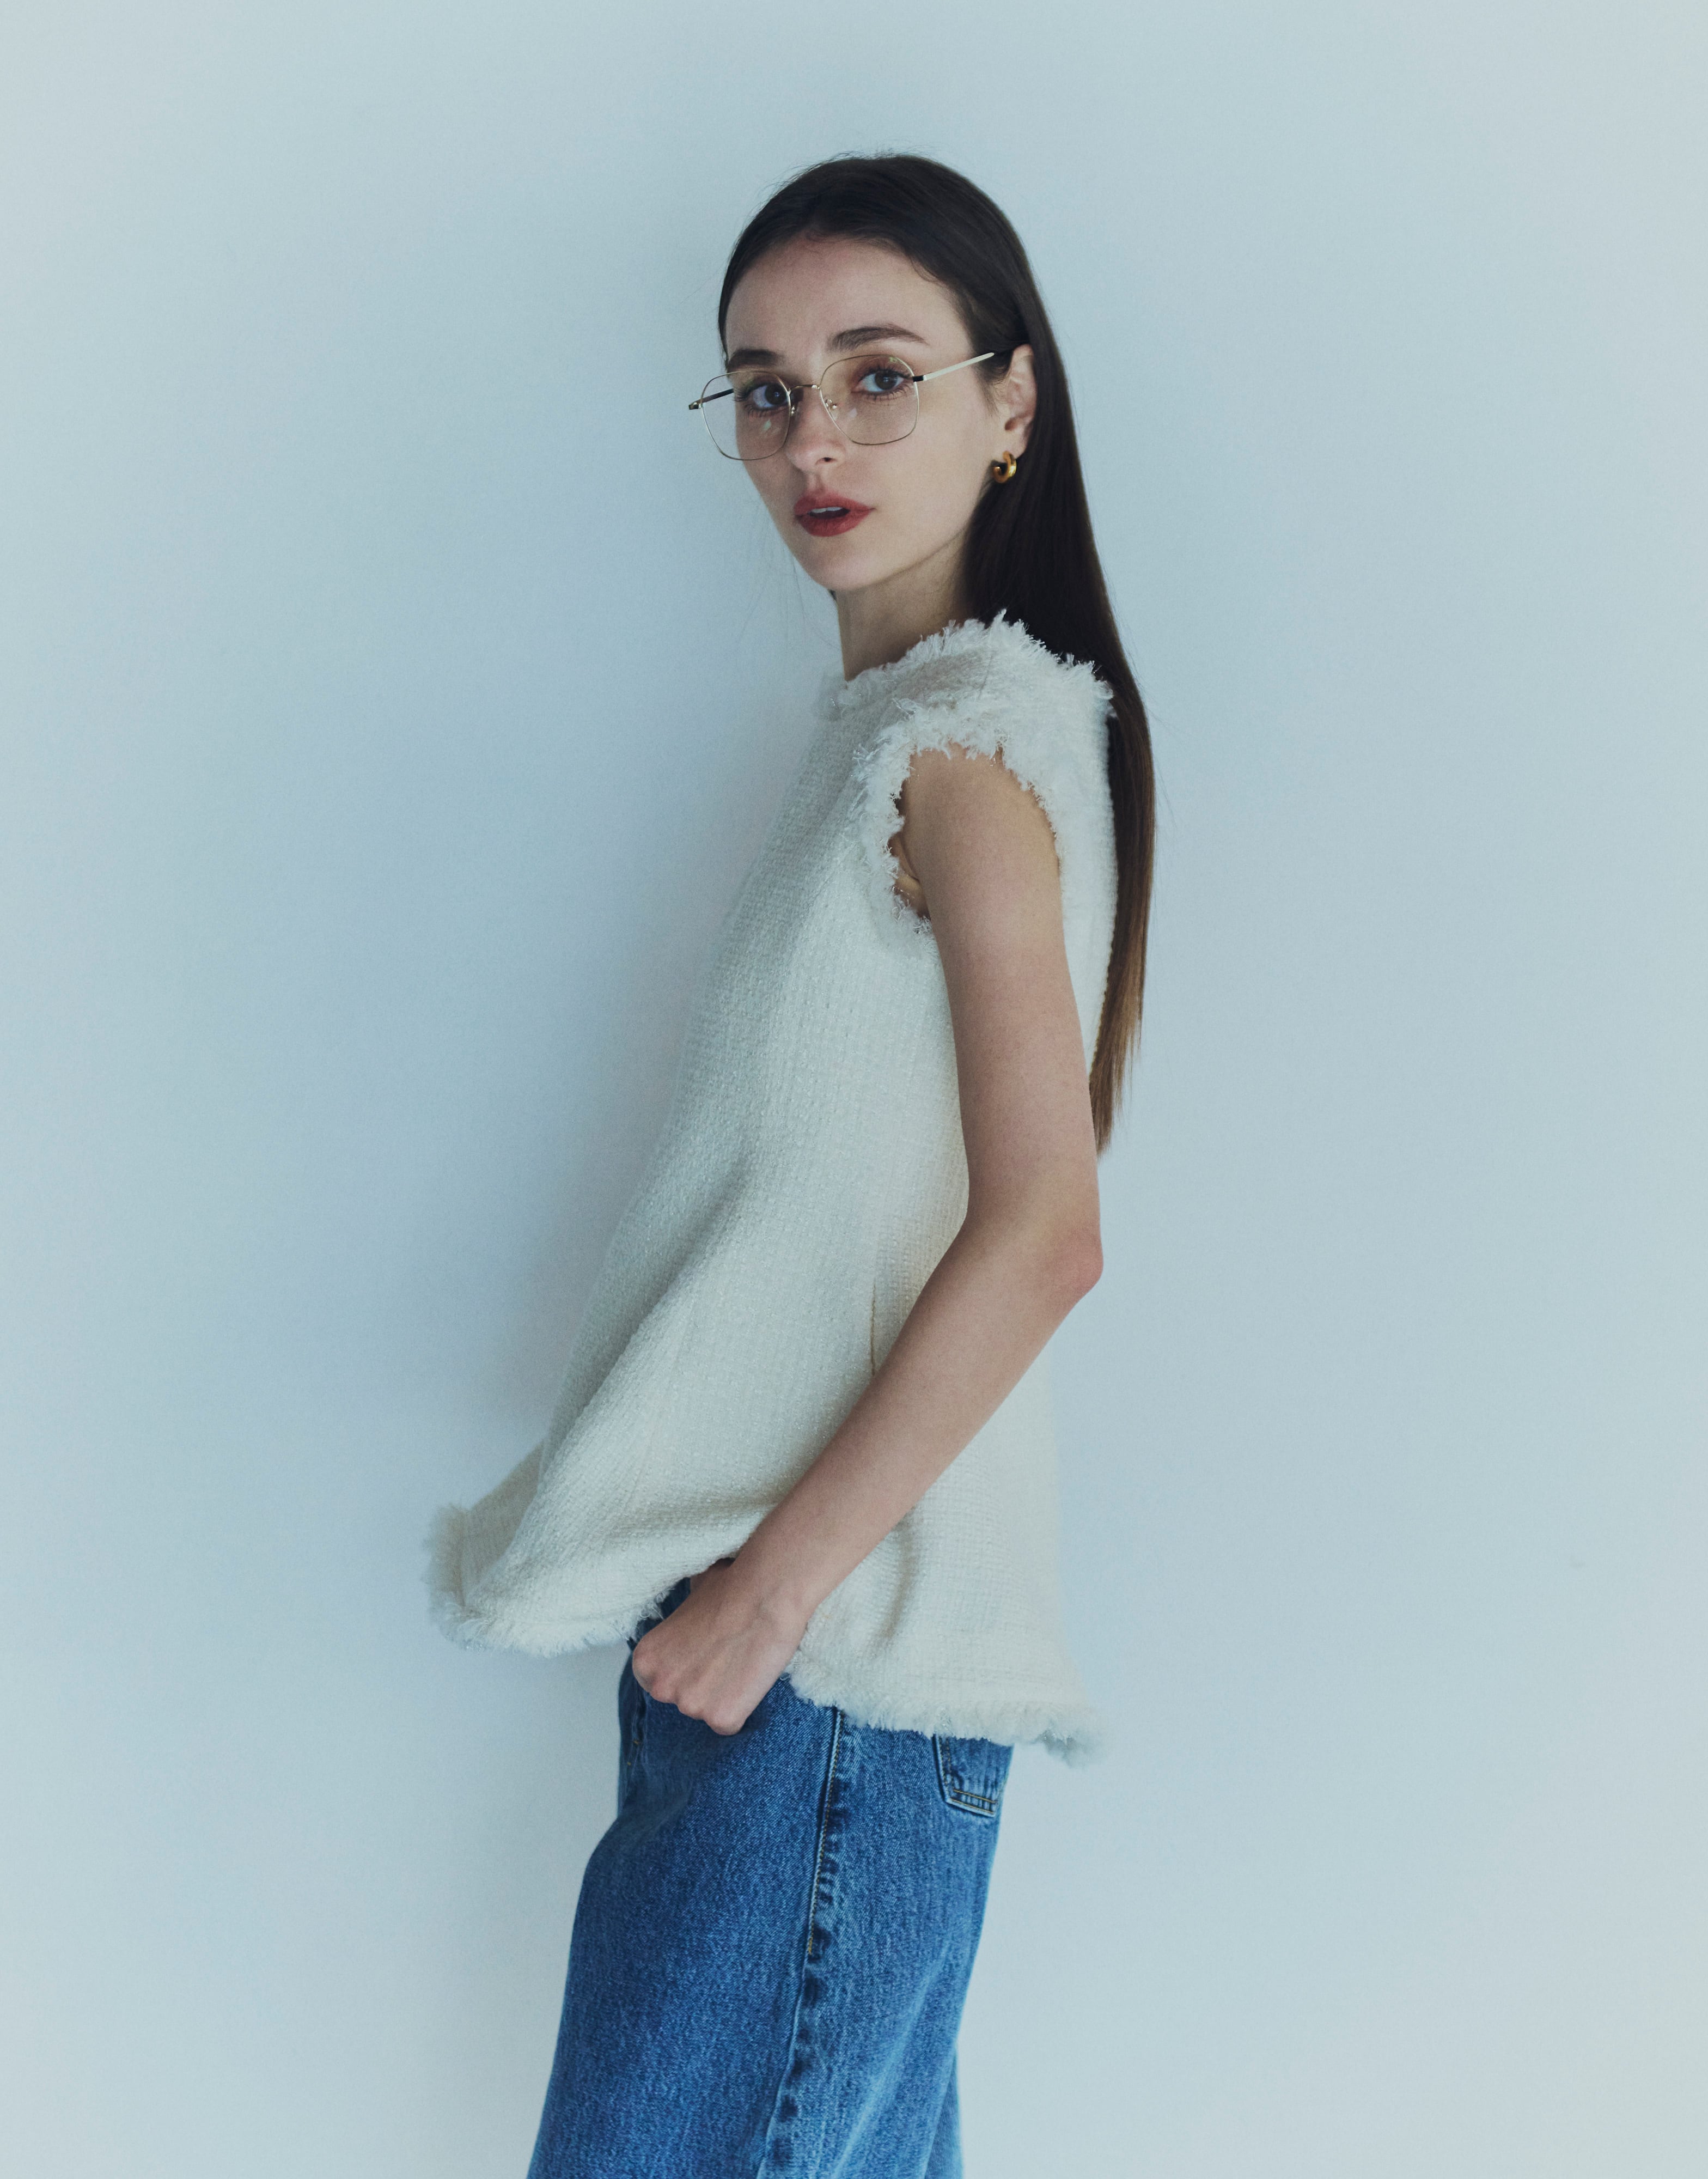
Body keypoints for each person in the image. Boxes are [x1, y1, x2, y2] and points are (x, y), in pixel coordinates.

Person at [425, 152, 1155, 2178]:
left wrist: (771, 1592)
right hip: (808, 1681)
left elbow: (1048, 1229)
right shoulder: (901, 740)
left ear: (1013, 401)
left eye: (878, 375)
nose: (812, 439)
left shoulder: (963, 755)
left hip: (818, 1675)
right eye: (765, 390)